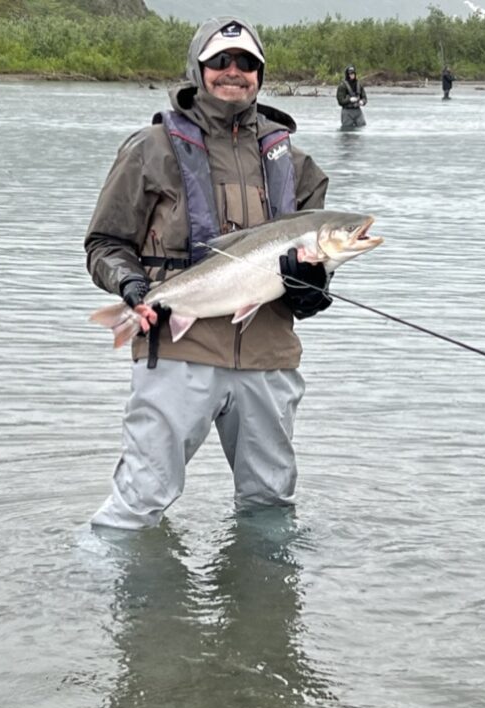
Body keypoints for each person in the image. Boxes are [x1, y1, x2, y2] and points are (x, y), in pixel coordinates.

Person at [84, 17, 331, 530]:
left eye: (246, 63)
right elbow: (104, 244)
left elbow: (314, 280)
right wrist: (130, 286)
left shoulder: (298, 164)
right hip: (177, 352)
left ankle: (267, 607)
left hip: (268, 358)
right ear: (198, 68)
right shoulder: (150, 149)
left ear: (261, 74)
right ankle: (91, 600)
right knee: (138, 505)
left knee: (270, 508)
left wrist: (312, 290)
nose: (233, 72)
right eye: (220, 61)